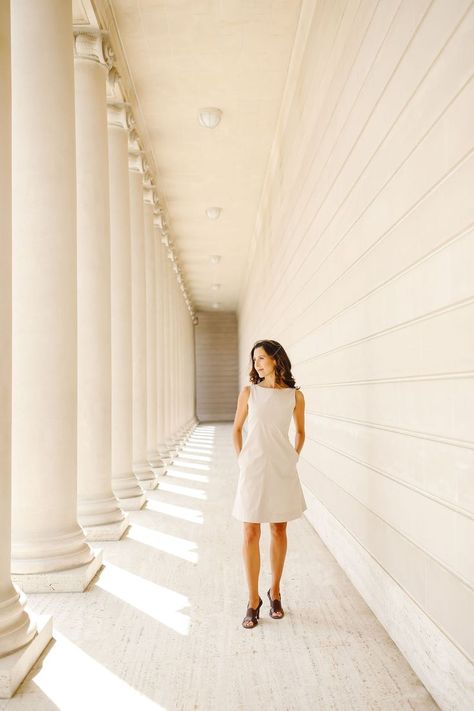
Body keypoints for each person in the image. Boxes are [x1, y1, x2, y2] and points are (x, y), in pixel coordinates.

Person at [232, 339, 307, 629]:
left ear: (276, 359)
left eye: (261, 358)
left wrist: (293, 458)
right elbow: (237, 428)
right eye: (254, 359)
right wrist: (242, 461)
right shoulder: (249, 393)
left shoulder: (294, 397)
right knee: (250, 530)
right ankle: (253, 600)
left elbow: (301, 432)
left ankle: (275, 592)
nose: (256, 363)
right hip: (253, 468)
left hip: (281, 468)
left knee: (278, 528)